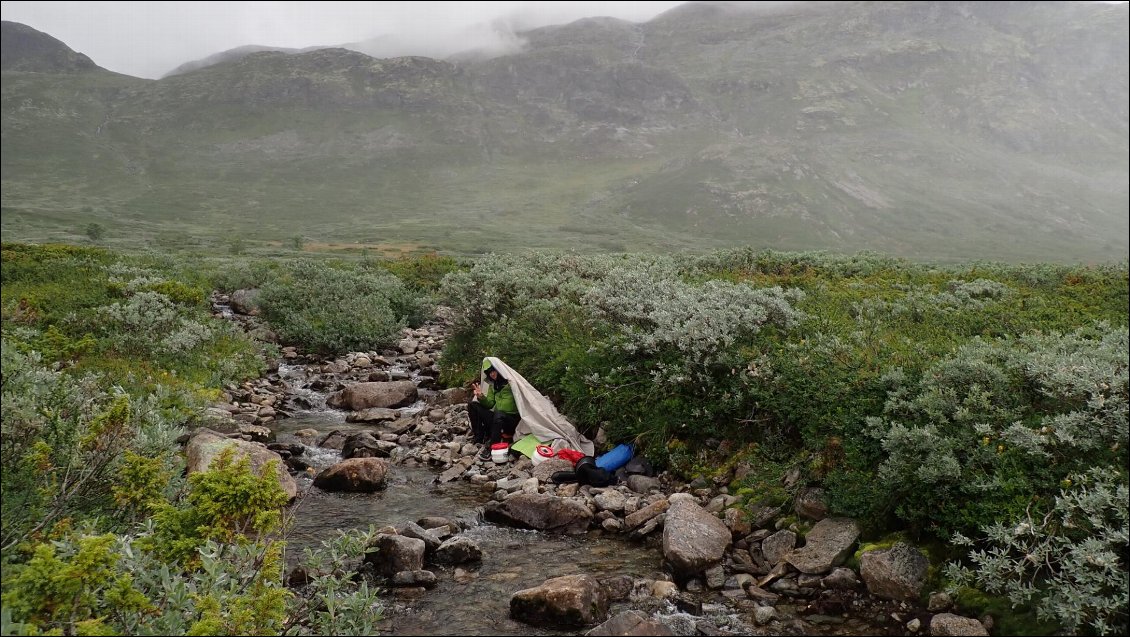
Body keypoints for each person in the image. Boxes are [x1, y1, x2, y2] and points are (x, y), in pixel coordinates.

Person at [468, 359, 521, 461]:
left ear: (499, 370)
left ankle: (493, 448)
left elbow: (523, 398)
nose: (492, 374)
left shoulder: (511, 383)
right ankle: (479, 437)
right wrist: (481, 396)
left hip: (511, 421)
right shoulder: (494, 386)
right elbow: (490, 404)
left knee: (499, 414)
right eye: (489, 373)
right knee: (473, 405)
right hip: (497, 419)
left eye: (493, 371)